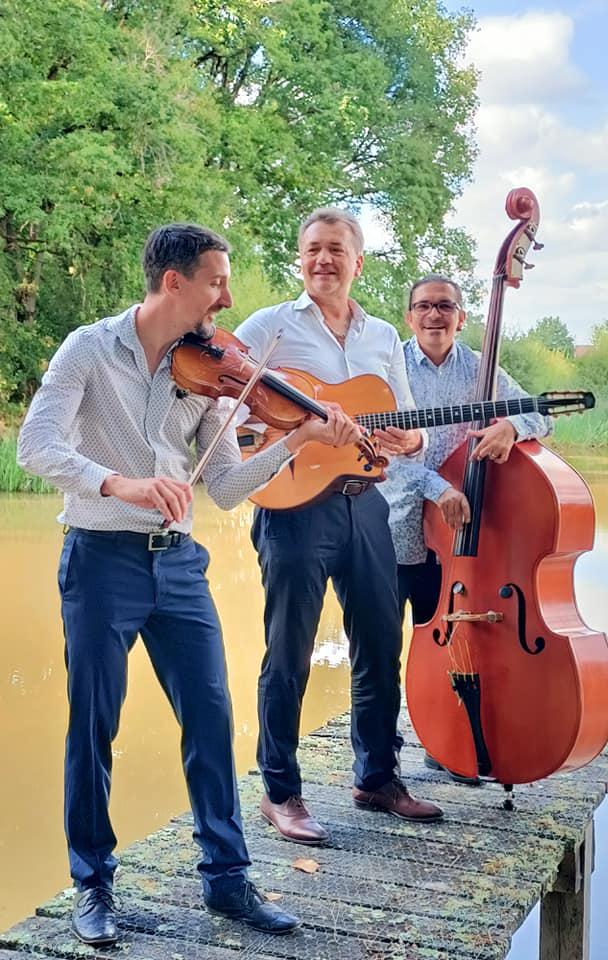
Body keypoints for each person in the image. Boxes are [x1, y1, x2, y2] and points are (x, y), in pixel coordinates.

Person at [16, 223, 361, 946]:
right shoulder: (88, 348)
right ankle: (93, 886)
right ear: (174, 283)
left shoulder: (209, 371)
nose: (227, 298)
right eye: (216, 282)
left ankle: (228, 881)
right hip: (100, 560)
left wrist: (295, 440)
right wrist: (119, 482)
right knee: (93, 727)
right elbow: (36, 444)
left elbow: (230, 487)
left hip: (178, 565)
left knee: (210, 720)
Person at [234, 208, 443, 845]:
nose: (323, 261)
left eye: (335, 251)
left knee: (381, 645)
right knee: (289, 652)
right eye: (312, 250)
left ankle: (377, 777)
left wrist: (414, 437)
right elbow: (226, 403)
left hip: (366, 502)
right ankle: (280, 791)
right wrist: (289, 436)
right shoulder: (268, 326)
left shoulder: (382, 335)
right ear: (300, 259)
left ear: (358, 262)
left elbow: (405, 416)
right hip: (293, 506)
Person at [377, 274, 553, 780]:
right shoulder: (390, 370)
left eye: (445, 306)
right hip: (391, 531)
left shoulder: (484, 372)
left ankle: (444, 739)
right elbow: (379, 452)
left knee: (457, 640)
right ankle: (380, 764)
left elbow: (541, 409)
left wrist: (511, 425)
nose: (435, 315)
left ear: (461, 317)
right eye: (425, 306)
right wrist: (438, 488)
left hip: (458, 549)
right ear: (409, 317)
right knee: (380, 654)